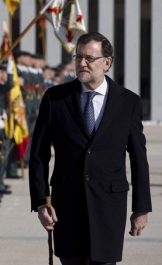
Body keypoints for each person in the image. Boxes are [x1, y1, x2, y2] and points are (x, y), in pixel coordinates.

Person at [29, 32, 152, 265]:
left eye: (89, 58)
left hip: (109, 206)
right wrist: (40, 203)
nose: (82, 63)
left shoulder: (128, 102)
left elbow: (138, 158)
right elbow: (38, 155)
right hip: (67, 207)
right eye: (78, 57)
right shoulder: (56, 99)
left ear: (107, 62)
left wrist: (141, 208)